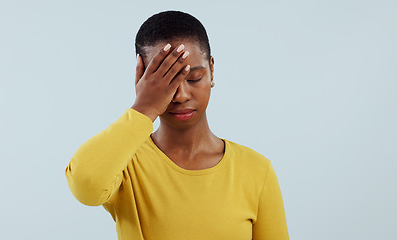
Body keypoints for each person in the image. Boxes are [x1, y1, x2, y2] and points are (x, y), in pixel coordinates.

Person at [65, 10, 289, 240]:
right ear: (142, 79)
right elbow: (85, 185)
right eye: (167, 81)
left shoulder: (256, 171)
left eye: (194, 78)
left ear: (211, 69)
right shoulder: (125, 164)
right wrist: (144, 108)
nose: (181, 95)